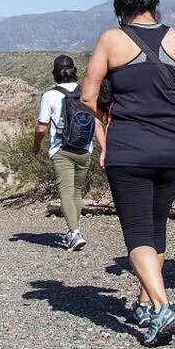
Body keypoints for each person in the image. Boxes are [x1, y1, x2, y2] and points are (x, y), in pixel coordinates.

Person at [80, 0, 175, 347]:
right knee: (156, 228)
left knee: (137, 233)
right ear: (154, 1)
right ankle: (145, 302)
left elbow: (86, 96)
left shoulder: (112, 40)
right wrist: (167, 104)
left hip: (130, 147)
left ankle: (163, 307)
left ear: (121, 6)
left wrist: (109, 125)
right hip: (173, 147)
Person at [32, 55, 102, 251]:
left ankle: (74, 232)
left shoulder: (49, 96)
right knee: (77, 191)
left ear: (54, 73)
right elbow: (97, 120)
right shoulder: (87, 92)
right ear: (74, 71)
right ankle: (74, 229)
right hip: (85, 149)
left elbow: (41, 127)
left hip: (61, 150)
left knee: (65, 192)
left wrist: (36, 146)